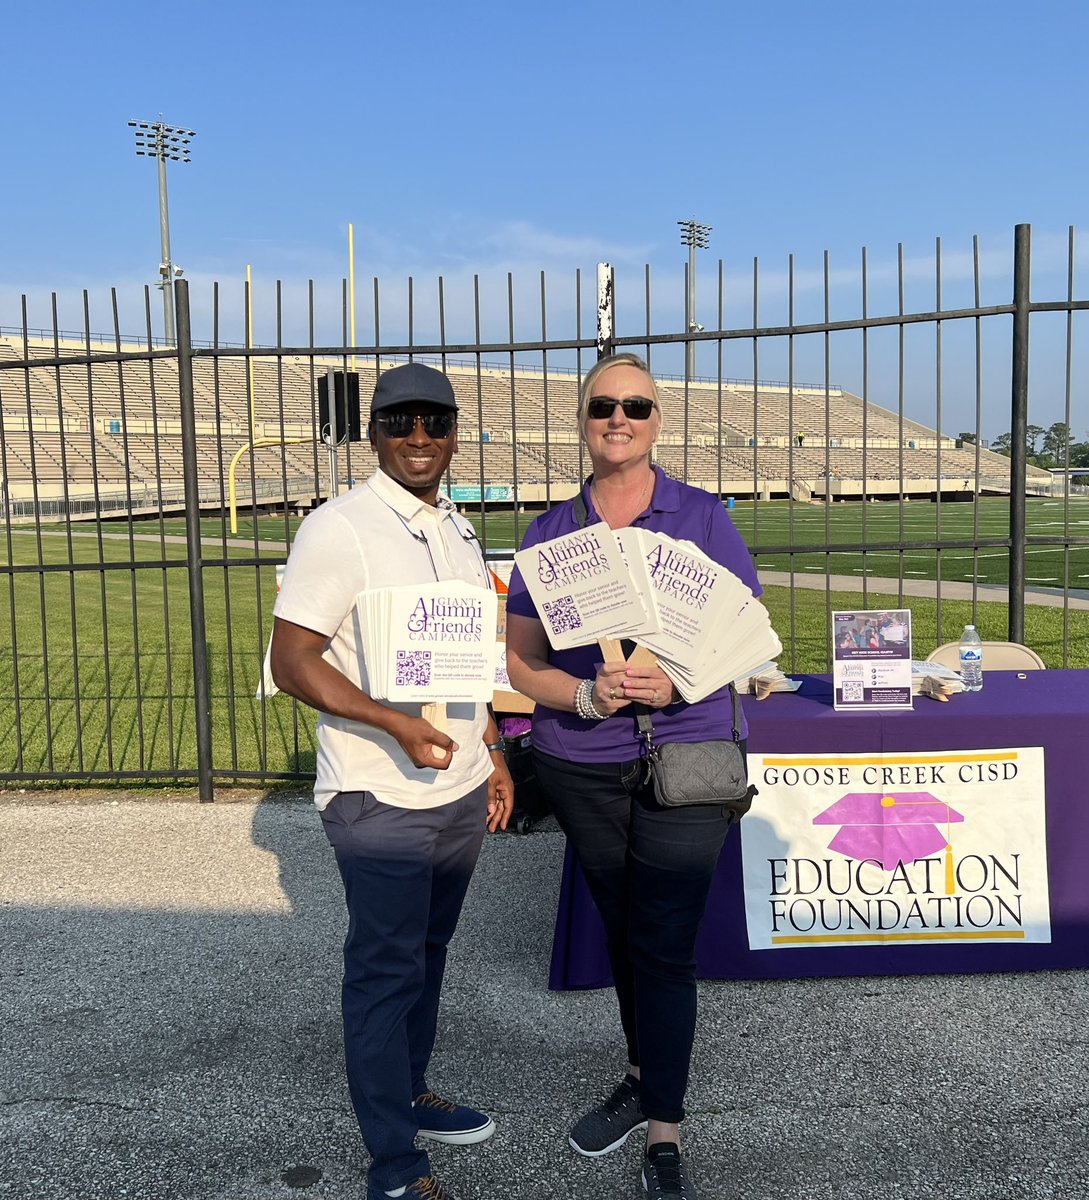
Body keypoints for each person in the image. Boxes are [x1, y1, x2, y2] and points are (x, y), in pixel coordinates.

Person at [505, 352, 762, 1200]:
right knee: (621, 933)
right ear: (582, 419)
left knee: (662, 943)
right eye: (603, 406)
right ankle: (641, 1069)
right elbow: (522, 662)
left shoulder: (702, 517)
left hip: (686, 760)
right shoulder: (549, 533)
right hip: (582, 764)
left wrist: (678, 679)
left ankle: (664, 1128)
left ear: (658, 421)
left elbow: (742, 637)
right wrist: (584, 691)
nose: (619, 418)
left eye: (636, 407)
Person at [270, 361, 514, 1200]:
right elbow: (291, 658)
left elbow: (470, 656)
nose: (419, 438)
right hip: (379, 791)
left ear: (453, 433)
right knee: (384, 970)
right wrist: (388, 720)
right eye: (401, 422)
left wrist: (493, 748)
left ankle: (411, 1091)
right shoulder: (338, 528)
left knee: (428, 956)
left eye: (436, 422)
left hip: (456, 785)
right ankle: (395, 1164)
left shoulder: (455, 526)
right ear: (372, 431)